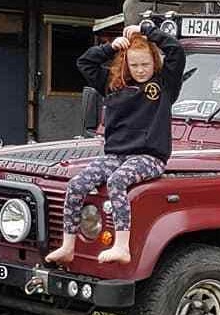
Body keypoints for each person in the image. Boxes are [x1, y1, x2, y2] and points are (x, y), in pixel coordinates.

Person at [45, 21, 185, 265]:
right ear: (126, 63)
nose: (140, 70)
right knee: (76, 184)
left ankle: (121, 246)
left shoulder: (164, 85)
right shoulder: (112, 84)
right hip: (116, 155)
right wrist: (110, 48)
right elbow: (85, 63)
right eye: (134, 65)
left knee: (117, 181)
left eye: (145, 64)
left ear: (154, 62)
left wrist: (146, 31)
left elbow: (176, 51)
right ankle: (68, 246)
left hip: (149, 158)